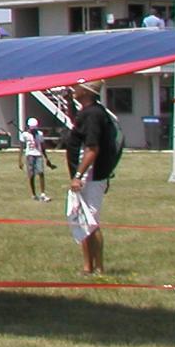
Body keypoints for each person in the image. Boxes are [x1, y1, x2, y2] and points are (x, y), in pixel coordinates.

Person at [63, 81, 119, 275]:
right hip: (90, 175)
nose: (74, 89)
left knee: (90, 221)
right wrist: (69, 102)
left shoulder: (93, 115)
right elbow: (77, 126)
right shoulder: (88, 112)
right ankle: (88, 266)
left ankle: (97, 268)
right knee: (83, 220)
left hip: (90, 176)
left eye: (78, 87)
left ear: (86, 92)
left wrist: (78, 176)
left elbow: (92, 148)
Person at [18, 117, 55, 201]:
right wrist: (20, 160)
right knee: (31, 175)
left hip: (38, 155)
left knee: (41, 172)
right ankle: (34, 194)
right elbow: (21, 148)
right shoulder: (24, 135)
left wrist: (46, 158)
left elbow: (42, 146)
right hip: (29, 155)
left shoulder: (40, 134)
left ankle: (43, 194)